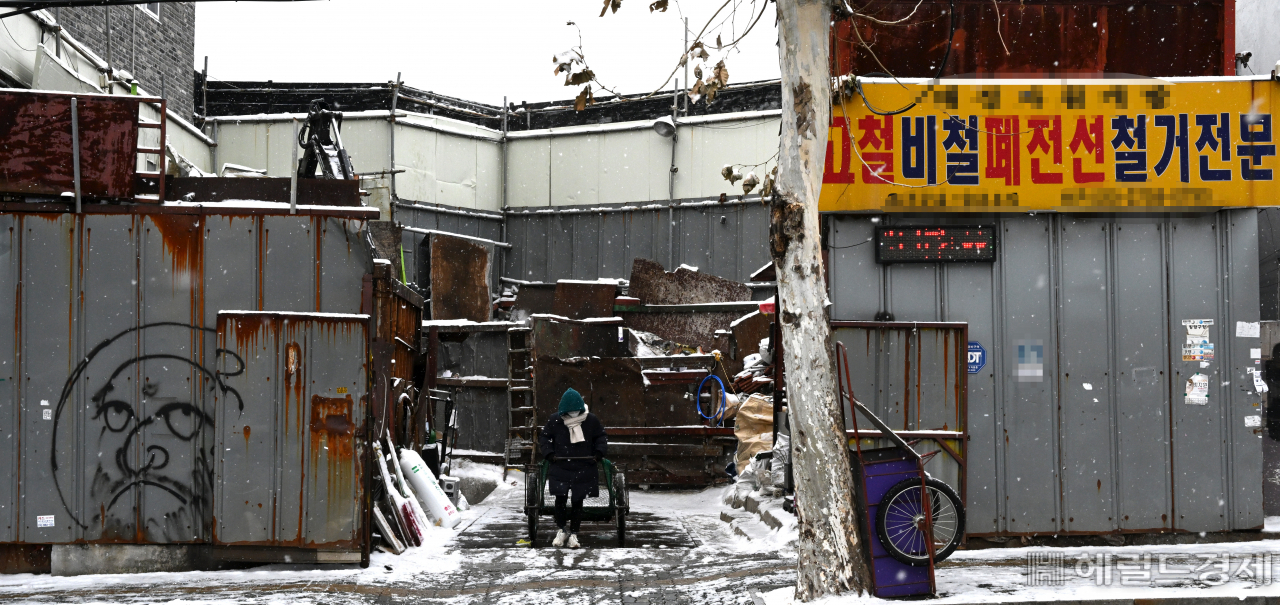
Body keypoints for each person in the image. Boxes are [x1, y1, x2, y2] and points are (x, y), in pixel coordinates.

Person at [537, 387, 607, 548]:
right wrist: (549, 454)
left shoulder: (591, 420)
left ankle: (574, 533)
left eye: (575, 411)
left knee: (578, 501)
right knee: (560, 500)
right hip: (560, 466)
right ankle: (561, 530)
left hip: (583, 466)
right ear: (563, 411)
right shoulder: (555, 420)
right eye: (569, 412)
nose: (573, 415)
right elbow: (545, 438)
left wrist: (597, 454)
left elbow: (600, 437)